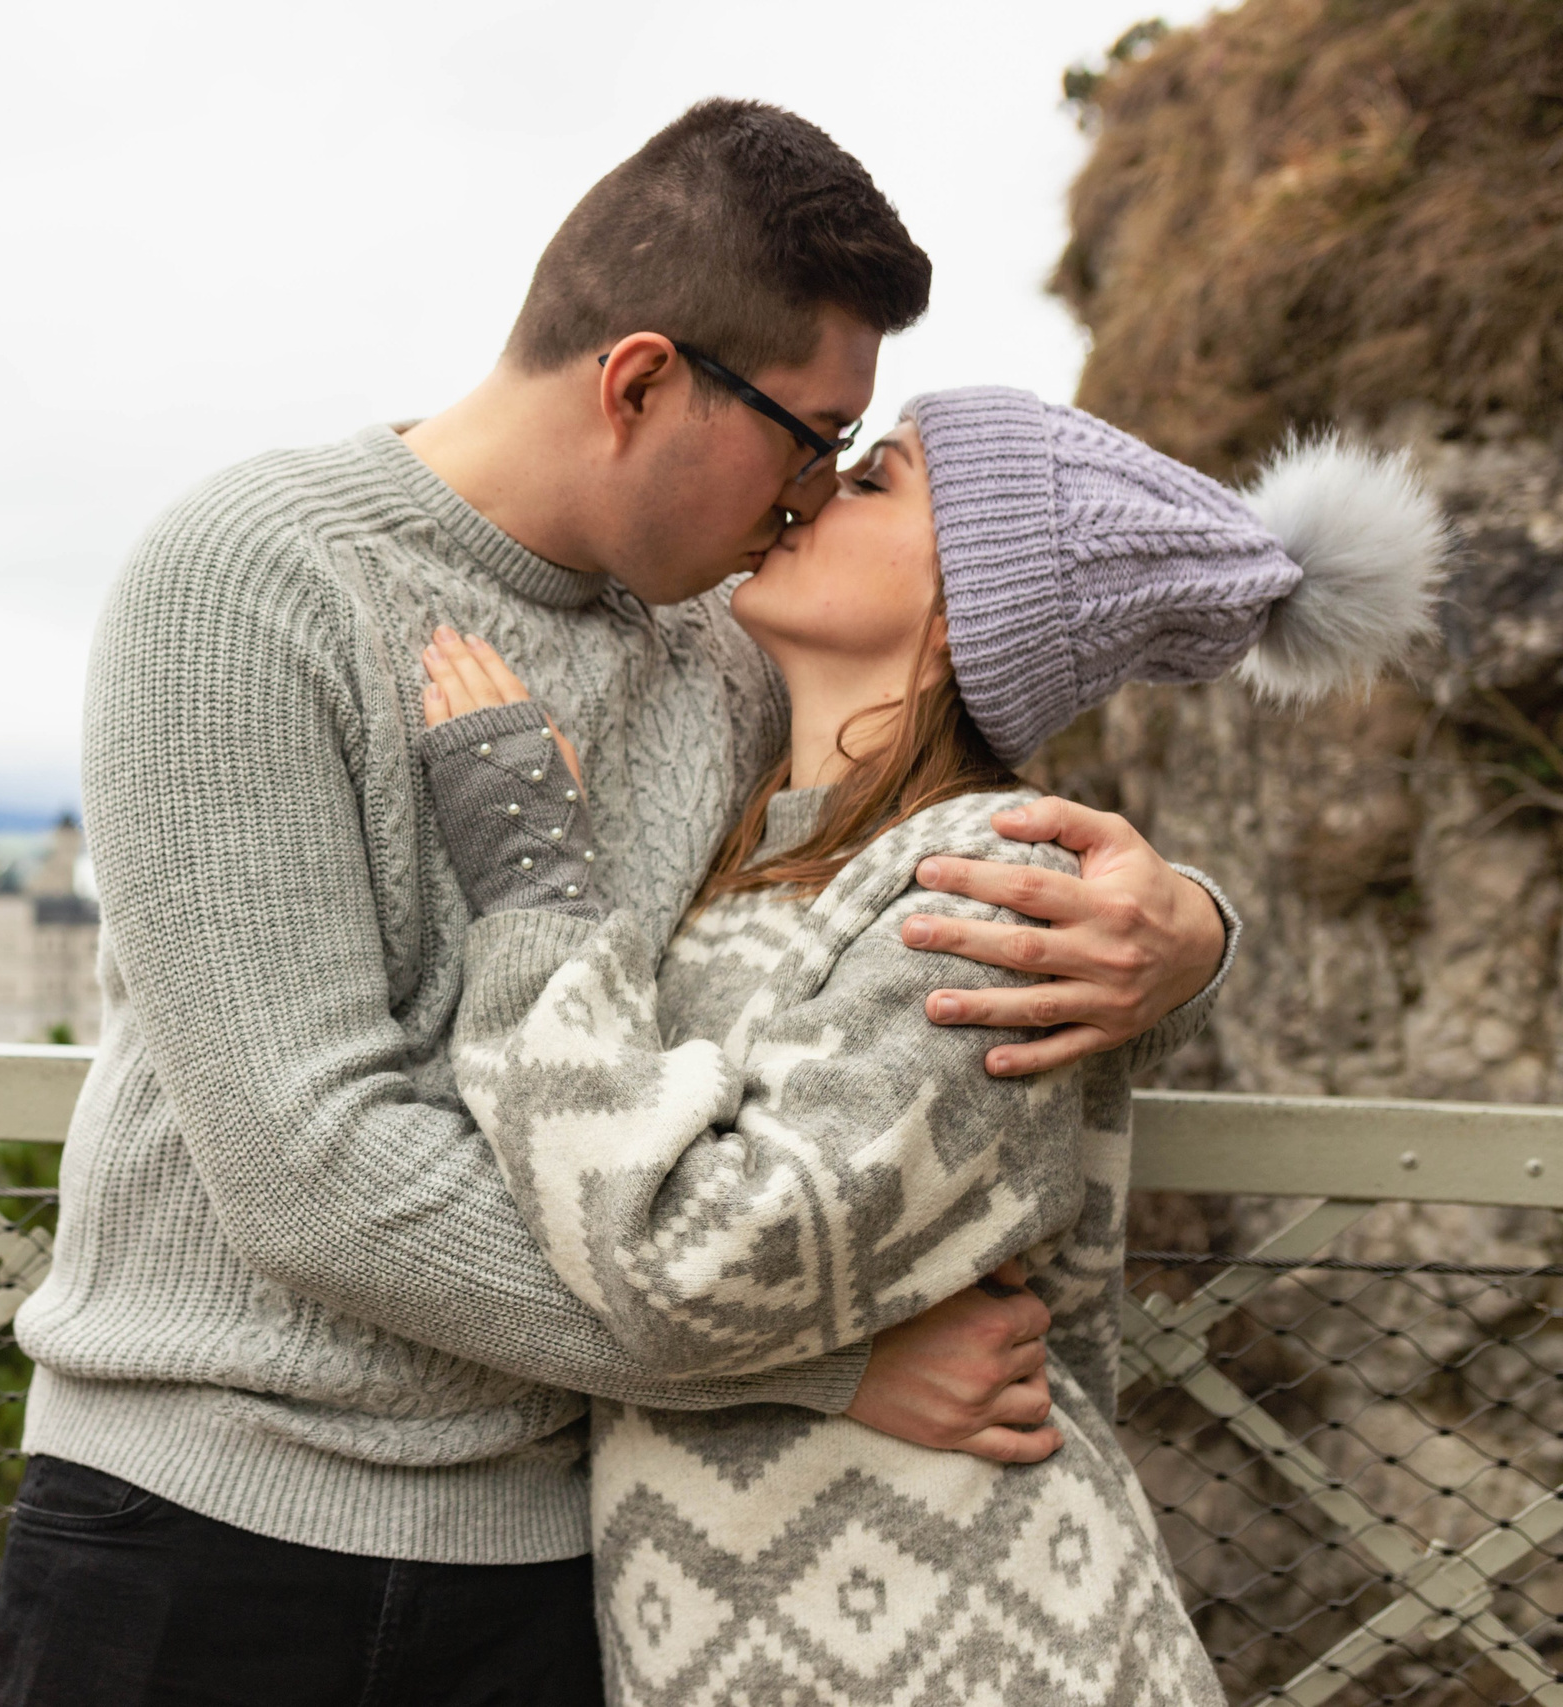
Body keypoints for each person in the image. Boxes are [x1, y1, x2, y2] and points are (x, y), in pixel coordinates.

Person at [0, 102, 1238, 1706]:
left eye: (855, 467)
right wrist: (822, 1362)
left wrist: (1182, 936)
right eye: (810, 441)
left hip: (562, 1568)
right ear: (645, 381)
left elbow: (893, 843)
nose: (814, 498)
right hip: (211, 1531)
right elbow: (311, 1172)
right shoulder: (253, 581)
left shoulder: (724, 647)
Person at [415, 394, 1448, 1704]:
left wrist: (535, 890)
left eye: (877, 481)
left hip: (968, 1646)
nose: (814, 487)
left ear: (973, 607)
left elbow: (699, 1260)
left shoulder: (985, 890)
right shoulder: (767, 852)